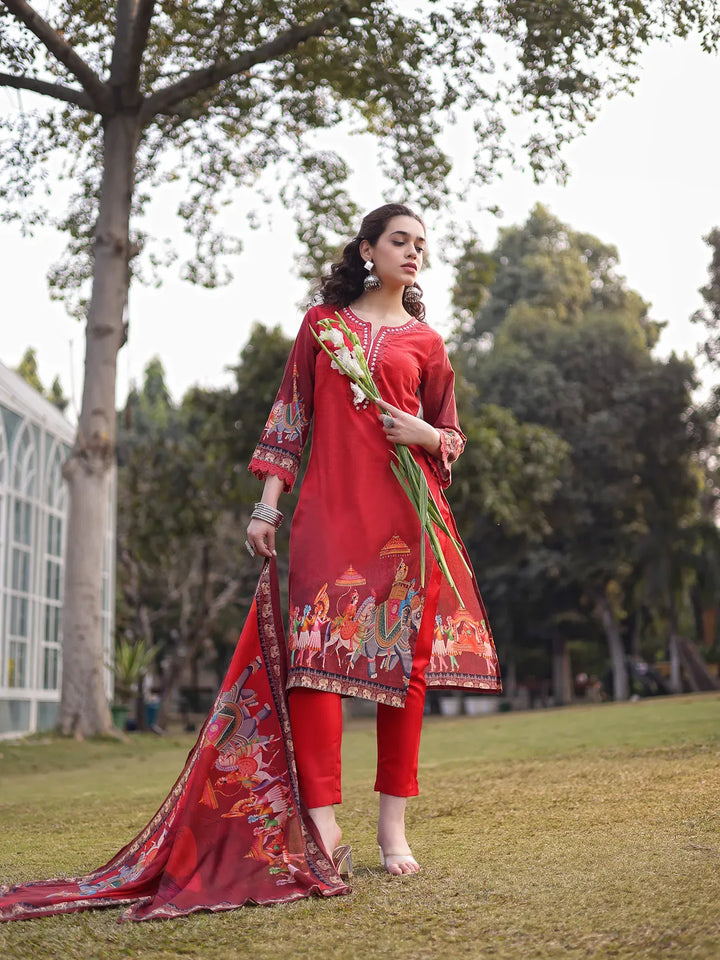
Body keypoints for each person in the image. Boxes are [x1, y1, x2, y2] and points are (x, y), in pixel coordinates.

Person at [246, 202, 502, 877]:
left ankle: (394, 832)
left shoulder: (427, 342)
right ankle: (323, 827)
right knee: (314, 662)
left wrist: (425, 435)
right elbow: (290, 415)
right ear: (367, 250)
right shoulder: (321, 326)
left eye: (421, 243)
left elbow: (450, 435)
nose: (413, 252)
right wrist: (268, 508)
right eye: (399, 240)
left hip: (404, 524)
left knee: (404, 673)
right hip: (329, 513)